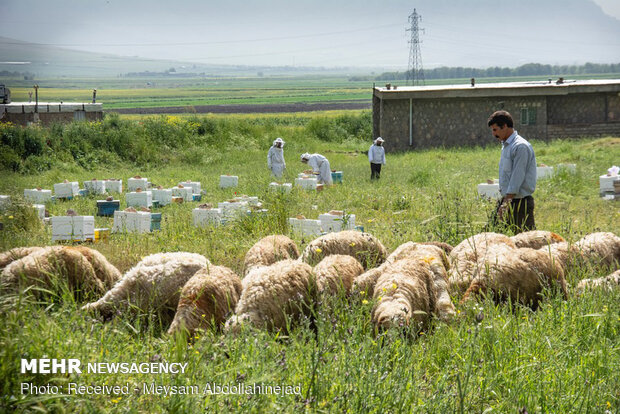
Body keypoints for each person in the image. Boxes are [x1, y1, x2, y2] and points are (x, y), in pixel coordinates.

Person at [487, 110, 537, 234]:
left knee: (525, 242)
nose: (494, 134)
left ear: (504, 126)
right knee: (491, 236)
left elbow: (517, 177)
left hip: (519, 203)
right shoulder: (507, 146)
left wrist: (506, 204)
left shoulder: (520, 146)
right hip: (507, 199)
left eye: (495, 130)